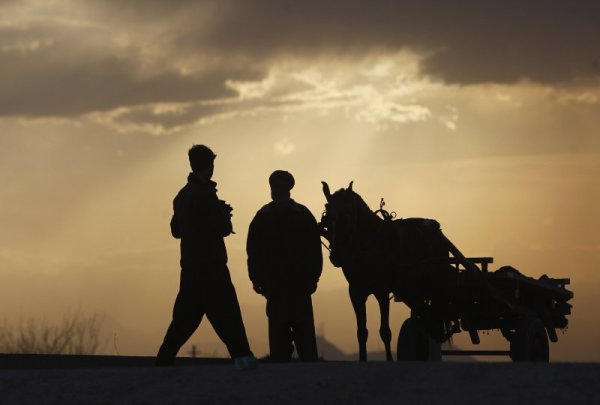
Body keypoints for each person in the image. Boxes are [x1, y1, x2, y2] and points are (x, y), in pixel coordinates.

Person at [156, 144, 257, 370]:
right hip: (212, 267)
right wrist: (223, 214)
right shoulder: (206, 195)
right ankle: (246, 363)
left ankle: (162, 363)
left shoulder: (181, 196)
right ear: (210, 165)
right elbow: (220, 228)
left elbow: (176, 231)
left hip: (191, 267)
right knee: (229, 318)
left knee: (183, 321)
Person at [247, 170, 323, 362]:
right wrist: (257, 279)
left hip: (294, 289)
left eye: (279, 186)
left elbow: (315, 252)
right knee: (284, 352)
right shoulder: (267, 216)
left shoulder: (296, 215)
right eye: (275, 186)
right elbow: (253, 252)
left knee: (304, 349)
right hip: (279, 290)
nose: (276, 190)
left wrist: (312, 279)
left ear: (288, 188)